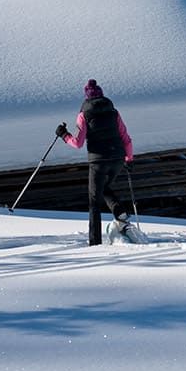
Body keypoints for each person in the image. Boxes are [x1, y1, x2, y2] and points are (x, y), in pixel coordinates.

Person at [56, 79, 133, 246]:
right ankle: (119, 210)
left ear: (87, 97)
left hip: (98, 161)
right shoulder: (114, 112)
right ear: (101, 94)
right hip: (118, 158)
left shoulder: (84, 114)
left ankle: (95, 242)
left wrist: (64, 135)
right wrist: (129, 158)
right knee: (104, 187)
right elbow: (125, 137)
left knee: (94, 200)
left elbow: (77, 142)